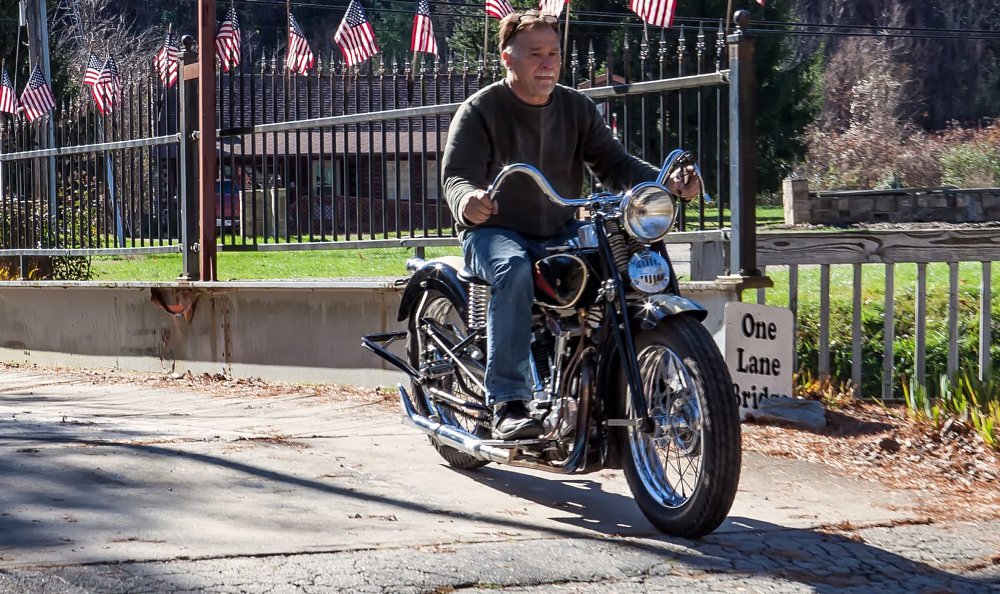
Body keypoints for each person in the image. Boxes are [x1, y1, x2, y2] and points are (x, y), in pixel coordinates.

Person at [441, 10, 700, 440]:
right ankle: (508, 401)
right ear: (508, 59)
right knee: (513, 267)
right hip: (491, 231)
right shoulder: (480, 110)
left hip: (559, 230)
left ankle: (651, 378)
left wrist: (664, 183)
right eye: (535, 54)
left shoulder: (576, 107)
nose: (547, 63)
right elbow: (456, 177)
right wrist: (468, 199)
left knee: (630, 259)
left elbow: (614, 164)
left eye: (554, 54)